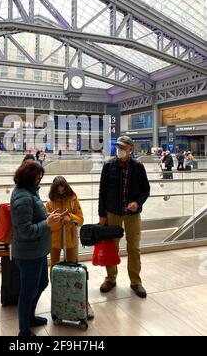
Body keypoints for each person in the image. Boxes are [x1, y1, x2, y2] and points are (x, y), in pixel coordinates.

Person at [10, 161, 61, 336]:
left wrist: (49, 216)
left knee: (41, 283)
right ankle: (24, 330)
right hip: (28, 254)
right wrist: (46, 223)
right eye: (37, 177)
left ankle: (30, 317)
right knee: (28, 291)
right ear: (28, 177)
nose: (39, 180)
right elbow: (25, 230)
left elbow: (36, 216)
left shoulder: (30, 193)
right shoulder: (23, 197)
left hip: (37, 250)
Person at [98, 135, 150, 298]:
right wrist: (102, 214)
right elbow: (102, 191)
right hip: (112, 212)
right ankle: (110, 278)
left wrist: (138, 203)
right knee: (111, 246)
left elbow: (146, 190)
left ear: (130, 149)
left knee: (133, 247)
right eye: (118, 147)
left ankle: (135, 281)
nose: (119, 150)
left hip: (132, 214)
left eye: (123, 147)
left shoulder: (138, 167)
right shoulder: (108, 166)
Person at [45, 176, 94, 319]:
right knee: (54, 269)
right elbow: (47, 223)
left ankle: (78, 299)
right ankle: (58, 298)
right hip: (54, 240)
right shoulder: (49, 203)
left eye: (63, 190)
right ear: (54, 189)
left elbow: (81, 219)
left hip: (70, 240)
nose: (61, 193)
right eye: (58, 190)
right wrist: (57, 220)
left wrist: (70, 218)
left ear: (66, 188)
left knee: (73, 268)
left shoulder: (73, 199)